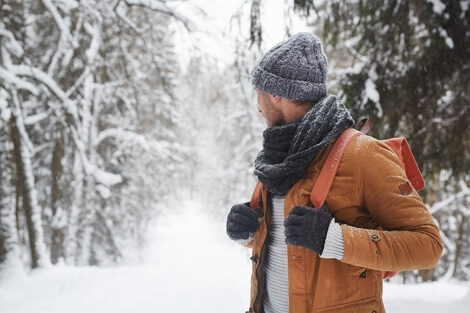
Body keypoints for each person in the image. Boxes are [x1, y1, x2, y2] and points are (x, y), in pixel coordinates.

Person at [226, 32, 443, 313]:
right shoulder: (276, 158)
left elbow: (428, 246)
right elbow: (294, 246)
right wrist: (251, 232)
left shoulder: (364, 155)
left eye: (259, 95)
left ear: (276, 94)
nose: (258, 107)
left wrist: (335, 239)